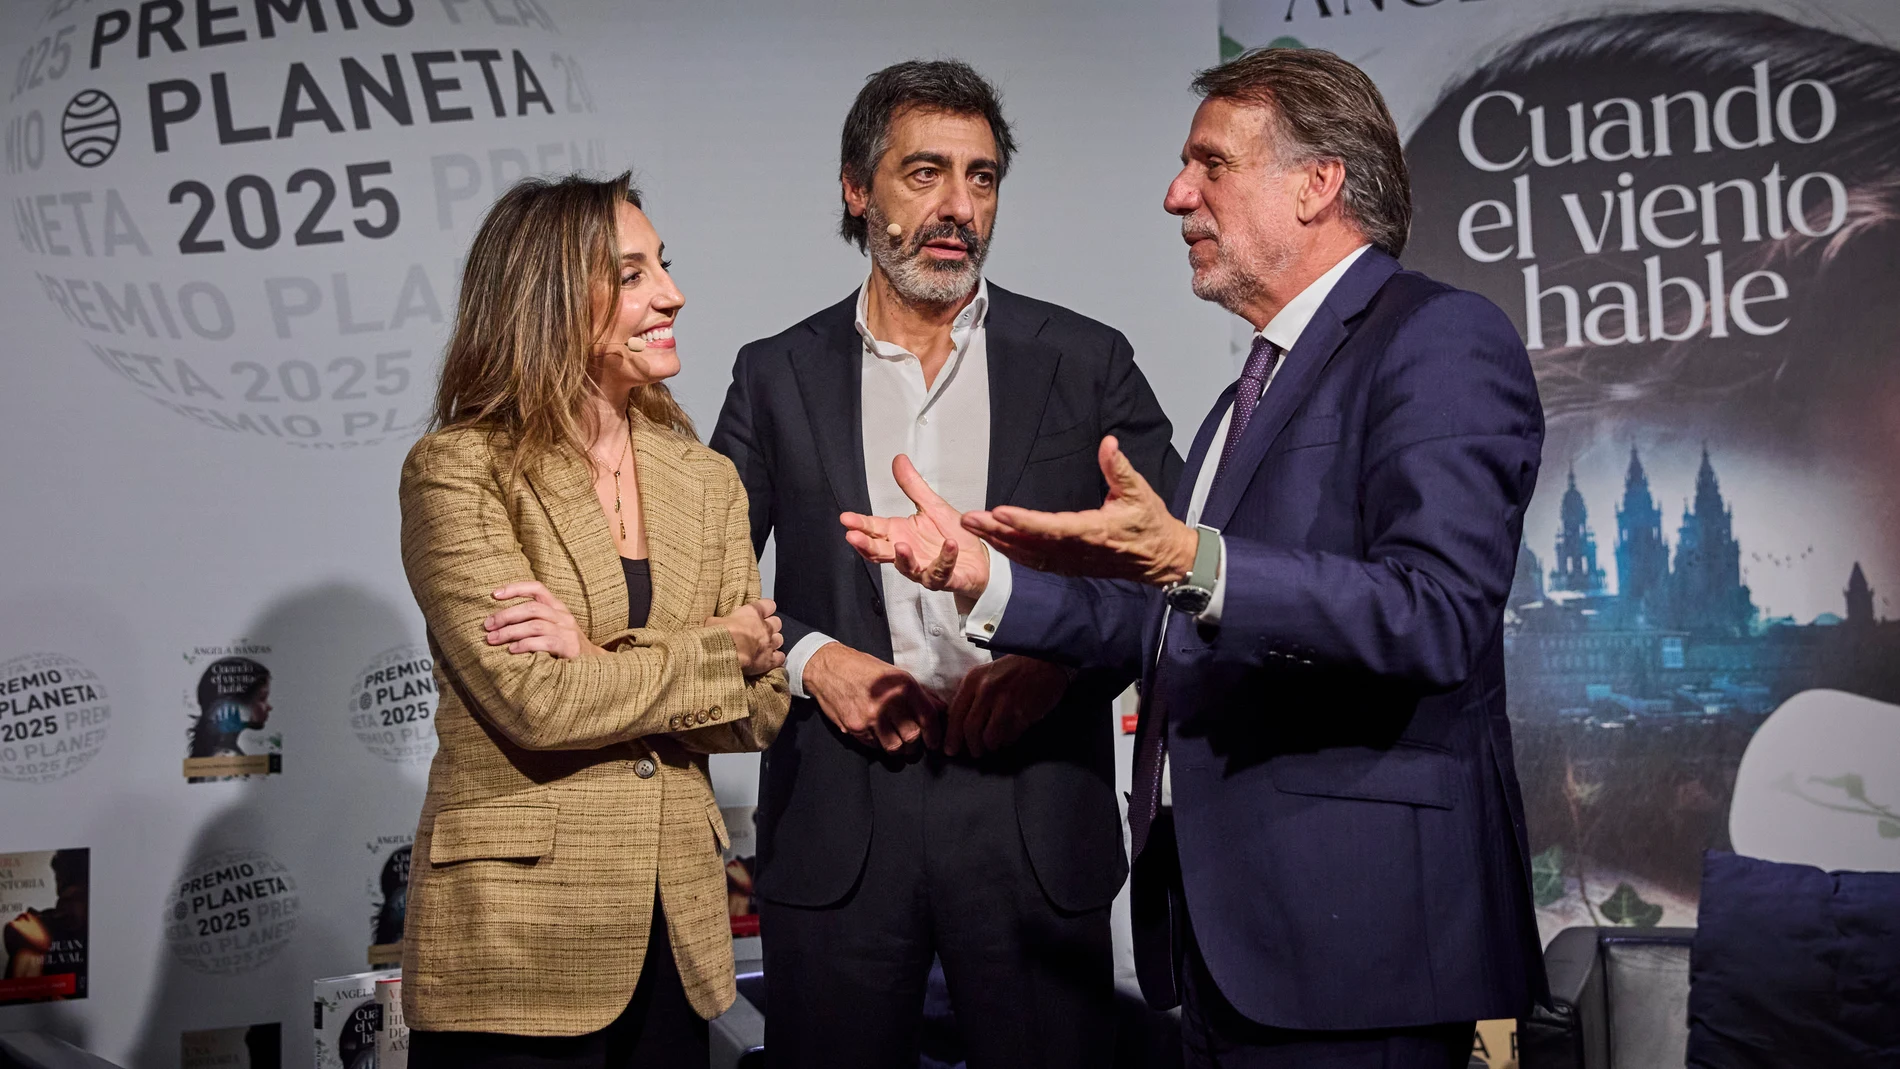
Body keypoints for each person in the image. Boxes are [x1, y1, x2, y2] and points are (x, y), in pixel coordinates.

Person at [845, 48, 1549, 1068]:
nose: (1178, 195)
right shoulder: (1247, 392)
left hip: (1363, 952)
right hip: (1230, 943)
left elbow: (1436, 609)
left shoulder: (1437, 338)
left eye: (1209, 164)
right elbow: (1156, 615)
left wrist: (1195, 558)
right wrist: (979, 578)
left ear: (1317, 185)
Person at [708, 60, 1180, 1068]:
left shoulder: (1086, 360)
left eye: (982, 177)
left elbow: (1166, 571)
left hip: (1032, 815)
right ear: (856, 187)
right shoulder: (773, 372)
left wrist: (1053, 665)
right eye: (924, 174)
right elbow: (709, 583)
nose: (958, 207)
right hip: (839, 823)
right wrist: (810, 660)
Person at [397, 172, 791, 1068]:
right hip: (513, 948)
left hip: (675, 939)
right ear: (547, 296)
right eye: (633, 273)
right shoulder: (459, 470)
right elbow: (536, 702)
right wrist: (715, 648)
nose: (672, 293)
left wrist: (593, 654)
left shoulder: (705, 478)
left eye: (666, 265)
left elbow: (764, 705)